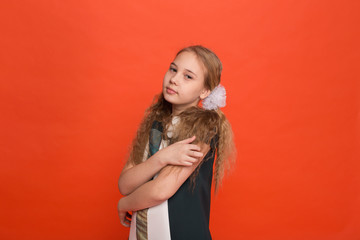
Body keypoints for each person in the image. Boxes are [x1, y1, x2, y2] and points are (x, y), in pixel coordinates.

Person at [117, 45, 236, 240]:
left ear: (205, 91)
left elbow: (161, 189)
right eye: (173, 69)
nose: (174, 79)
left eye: (188, 76)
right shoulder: (155, 122)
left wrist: (124, 204)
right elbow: (125, 184)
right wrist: (162, 157)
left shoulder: (205, 128)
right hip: (145, 232)